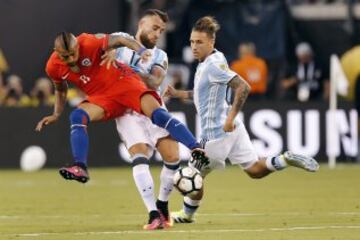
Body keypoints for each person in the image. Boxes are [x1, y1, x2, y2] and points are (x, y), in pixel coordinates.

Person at [163, 16, 319, 223]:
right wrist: (178, 94)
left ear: (211, 42)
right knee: (255, 169)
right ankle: (284, 159)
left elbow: (243, 86)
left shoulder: (212, 66)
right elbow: (203, 94)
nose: (194, 46)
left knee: (190, 177)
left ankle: (187, 215)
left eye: (199, 42)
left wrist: (230, 117)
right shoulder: (214, 60)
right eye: (192, 41)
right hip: (234, 130)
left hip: (215, 136)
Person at [35, 32, 208, 189]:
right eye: (65, 56)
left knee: (157, 115)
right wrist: (56, 113)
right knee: (77, 116)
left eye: (73, 53)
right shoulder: (53, 66)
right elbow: (60, 89)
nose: (71, 59)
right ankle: (80, 167)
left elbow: (119, 39)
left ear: (77, 46)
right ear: (56, 52)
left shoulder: (88, 42)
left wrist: (140, 50)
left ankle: (195, 148)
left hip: (124, 83)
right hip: (101, 97)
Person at [102, 9, 178, 230]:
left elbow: (153, 82)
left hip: (153, 106)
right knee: (139, 155)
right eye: (154, 28)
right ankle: (153, 213)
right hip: (128, 111)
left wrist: (123, 68)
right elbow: (98, 47)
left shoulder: (160, 56)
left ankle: (162, 203)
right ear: (141, 24)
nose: (157, 34)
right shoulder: (120, 41)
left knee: (172, 157)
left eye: (161, 30)